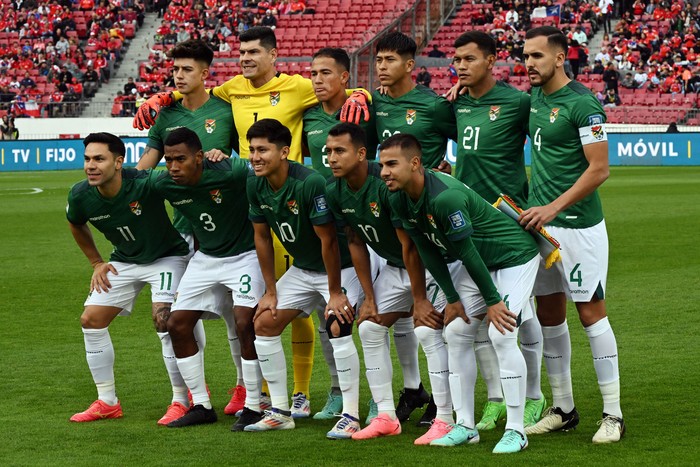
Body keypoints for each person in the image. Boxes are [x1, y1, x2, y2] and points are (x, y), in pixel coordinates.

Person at [135, 27, 369, 415]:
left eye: (253, 51)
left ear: (274, 55)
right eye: (241, 51)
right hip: (253, 203)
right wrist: (166, 95)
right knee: (263, 308)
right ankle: (255, 392)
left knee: (312, 306)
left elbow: (339, 89)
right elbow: (193, 91)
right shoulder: (230, 90)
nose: (245, 57)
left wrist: (361, 92)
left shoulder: (297, 86)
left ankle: (309, 390)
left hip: (292, 198)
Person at [381, 133, 540, 453]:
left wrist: (493, 302)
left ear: (415, 164)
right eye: (382, 164)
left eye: (392, 164)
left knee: (501, 334)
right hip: (479, 263)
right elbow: (425, 248)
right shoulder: (398, 197)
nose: (384, 171)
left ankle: (516, 429)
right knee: (455, 332)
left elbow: (468, 253)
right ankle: (465, 426)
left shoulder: (444, 198)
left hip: (513, 256)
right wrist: (452, 299)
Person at [521, 26, 624, 444]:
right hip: (541, 229)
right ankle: (563, 408)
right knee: (549, 314)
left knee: (590, 313)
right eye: (525, 56)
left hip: (579, 227)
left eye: (537, 56)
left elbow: (599, 169)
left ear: (560, 57)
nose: (529, 63)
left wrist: (553, 207)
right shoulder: (532, 99)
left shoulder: (584, 105)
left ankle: (613, 414)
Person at [135, 39, 247, 419]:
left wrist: (224, 156)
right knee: (169, 316)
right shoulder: (165, 114)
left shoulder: (227, 110)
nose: (179, 76)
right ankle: (184, 397)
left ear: (205, 73)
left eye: (186, 70)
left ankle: (243, 387)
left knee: (236, 315)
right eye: (175, 70)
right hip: (181, 229)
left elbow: (245, 161)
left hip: (227, 230)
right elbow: (145, 168)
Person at [324, 123, 447, 443]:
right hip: (395, 267)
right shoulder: (335, 190)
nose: (332, 158)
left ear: (362, 154)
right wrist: (369, 297)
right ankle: (386, 416)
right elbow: (355, 240)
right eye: (328, 151)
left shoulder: (386, 184)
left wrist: (418, 299)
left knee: (428, 328)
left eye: (340, 151)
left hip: (431, 263)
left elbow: (412, 246)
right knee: (369, 326)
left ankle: (445, 414)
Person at [451, 30, 546, 432]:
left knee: (519, 316)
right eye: (457, 60)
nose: (460, 66)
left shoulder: (517, 102)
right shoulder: (452, 105)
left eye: (469, 59)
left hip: (508, 220)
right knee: (473, 322)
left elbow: (546, 140)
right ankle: (494, 399)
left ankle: (534, 397)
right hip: (465, 222)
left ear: (491, 61)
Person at [244, 119, 362, 439]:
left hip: (342, 269)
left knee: (338, 324)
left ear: (284, 152)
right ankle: (281, 411)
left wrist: (335, 293)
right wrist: (270, 291)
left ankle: (350, 414)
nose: (255, 156)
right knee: (264, 322)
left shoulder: (310, 183)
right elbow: (262, 239)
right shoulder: (255, 183)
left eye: (262, 150)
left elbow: (329, 241)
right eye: (252, 149)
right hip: (303, 269)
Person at [66, 132, 191, 425]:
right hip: (124, 259)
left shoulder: (145, 183)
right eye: (87, 159)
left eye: (99, 159)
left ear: (118, 162)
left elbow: (188, 184)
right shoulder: (81, 194)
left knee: (164, 320)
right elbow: (76, 224)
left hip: (168, 257)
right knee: (91, 319)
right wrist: (97, 262)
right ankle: (107, 401)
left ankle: (182, 398)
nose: (91, 166)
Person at [149, 127, 265, 430]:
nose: (173, 167)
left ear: (199, 157)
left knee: (244, 323)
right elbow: (132, 188)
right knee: (176, 323)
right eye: (168, 160)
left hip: (245, 255)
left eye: (181, 159)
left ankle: (255, 403)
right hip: (205, 259)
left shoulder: (230, 171)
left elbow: (267, 171)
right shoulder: (165, 182)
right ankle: (201, 404)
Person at [349, 32, 455, 175]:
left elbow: (469, 148)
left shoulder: (434, 105)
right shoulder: (375, 100)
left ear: (409, 65)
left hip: (426, 193)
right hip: (388, 192)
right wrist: (357, 93)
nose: (382, 66)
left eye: (390, 60)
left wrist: (446, 173)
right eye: (379, 60)